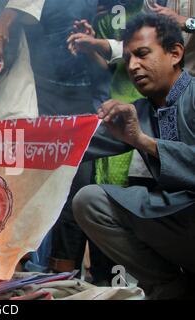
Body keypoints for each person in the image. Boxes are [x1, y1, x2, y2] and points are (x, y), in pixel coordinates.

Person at [74, 13, 195, 299]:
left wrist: (144, 142)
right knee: (90, 201)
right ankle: (170, 288)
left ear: (175, 53)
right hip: (180, 223)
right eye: (128, 58)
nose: (132, 66)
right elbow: (78, 142)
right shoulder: (141, 111)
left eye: (142, 54)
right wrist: (6, 140)